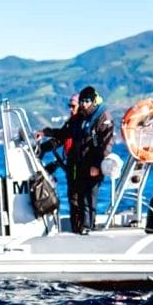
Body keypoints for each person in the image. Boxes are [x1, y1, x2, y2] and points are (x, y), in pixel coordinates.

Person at [38, 86, 114, 233]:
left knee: (89, 197)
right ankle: (81, 228)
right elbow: (63, 134)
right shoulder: (79, 119)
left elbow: (106, 143)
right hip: (79, 164)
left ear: (92, 101)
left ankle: (87, 226)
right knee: (78, 199)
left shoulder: (102, 117)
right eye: (81, 101)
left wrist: (97, 165)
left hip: (93, 164)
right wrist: (46, 133)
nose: (83, 104)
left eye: (86, 101)